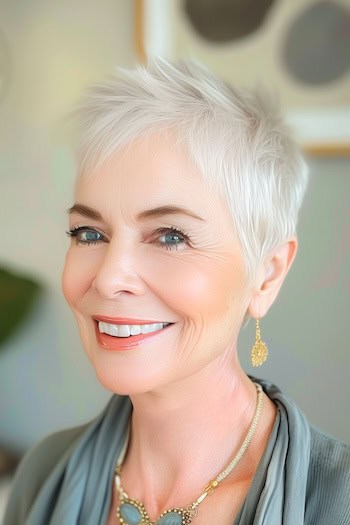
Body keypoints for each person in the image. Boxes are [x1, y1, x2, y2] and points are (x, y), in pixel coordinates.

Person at [4, 58, 350, 525]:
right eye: (88, 233)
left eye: (170, 235)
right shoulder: (45, 472)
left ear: (266, 275)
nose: (108, 278)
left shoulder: (338, 499)